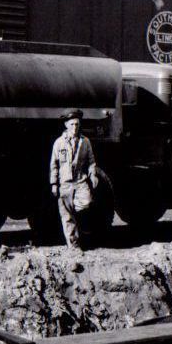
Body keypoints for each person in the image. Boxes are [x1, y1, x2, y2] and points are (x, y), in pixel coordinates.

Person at [49, 108, 99, 251]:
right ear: (66, 125)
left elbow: (91, 161)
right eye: (72, 124)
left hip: (80, 181)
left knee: (86, 203)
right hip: (64, 183)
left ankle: (82, 229)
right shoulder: (59, 143)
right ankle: (73, 246)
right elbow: (54, 164)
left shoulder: (85, 142)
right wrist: (54, 184)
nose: (75, 127)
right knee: (67, 216)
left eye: (77, 124)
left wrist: (93, 174)